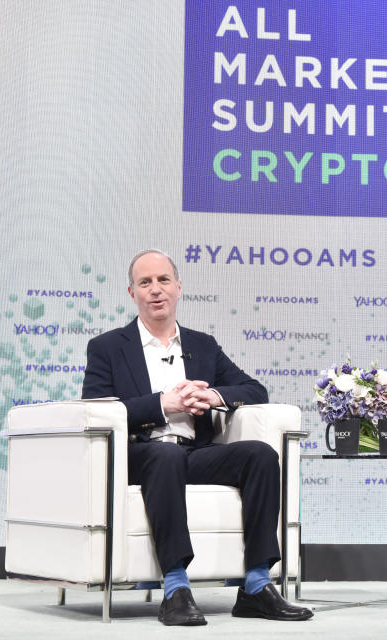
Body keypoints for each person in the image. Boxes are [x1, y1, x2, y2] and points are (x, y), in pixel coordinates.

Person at [81, 249, 312, 626]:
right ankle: (175, 588)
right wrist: (163, 404)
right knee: (165, 456)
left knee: (260, 454)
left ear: (178, 288)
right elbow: (97, 408)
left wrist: (214, 396)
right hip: (138, 455)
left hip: (193, 453)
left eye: (163, 280)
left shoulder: (202, 345)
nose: (155, 290)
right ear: (131, 293)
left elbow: (255, 389)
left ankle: (256, 584)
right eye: (145, 283)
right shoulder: (108, 347)